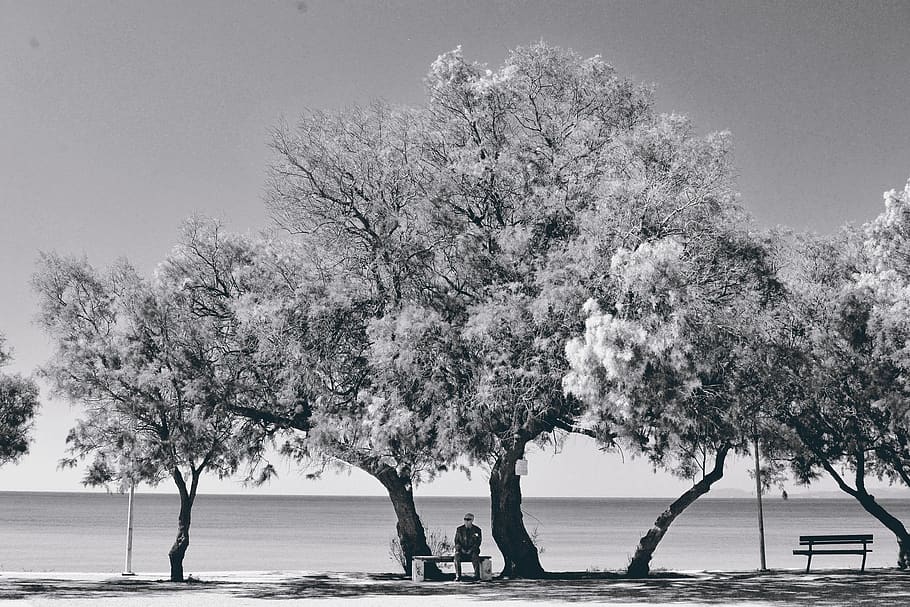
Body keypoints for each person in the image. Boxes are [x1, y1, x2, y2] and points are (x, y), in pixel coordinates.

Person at [454, 512, 482, 581]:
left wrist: (471, 550)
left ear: (472, 520)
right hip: (461, 551)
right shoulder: (459, 529)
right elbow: (456, 541)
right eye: (465, 519)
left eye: (468, 519)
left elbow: (478, 542)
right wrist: (461, 549)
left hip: (472, 551)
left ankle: (477, 576)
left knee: (475, 557)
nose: (466, 521)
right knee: (456, 557)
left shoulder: (477, 530)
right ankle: (458, 576)